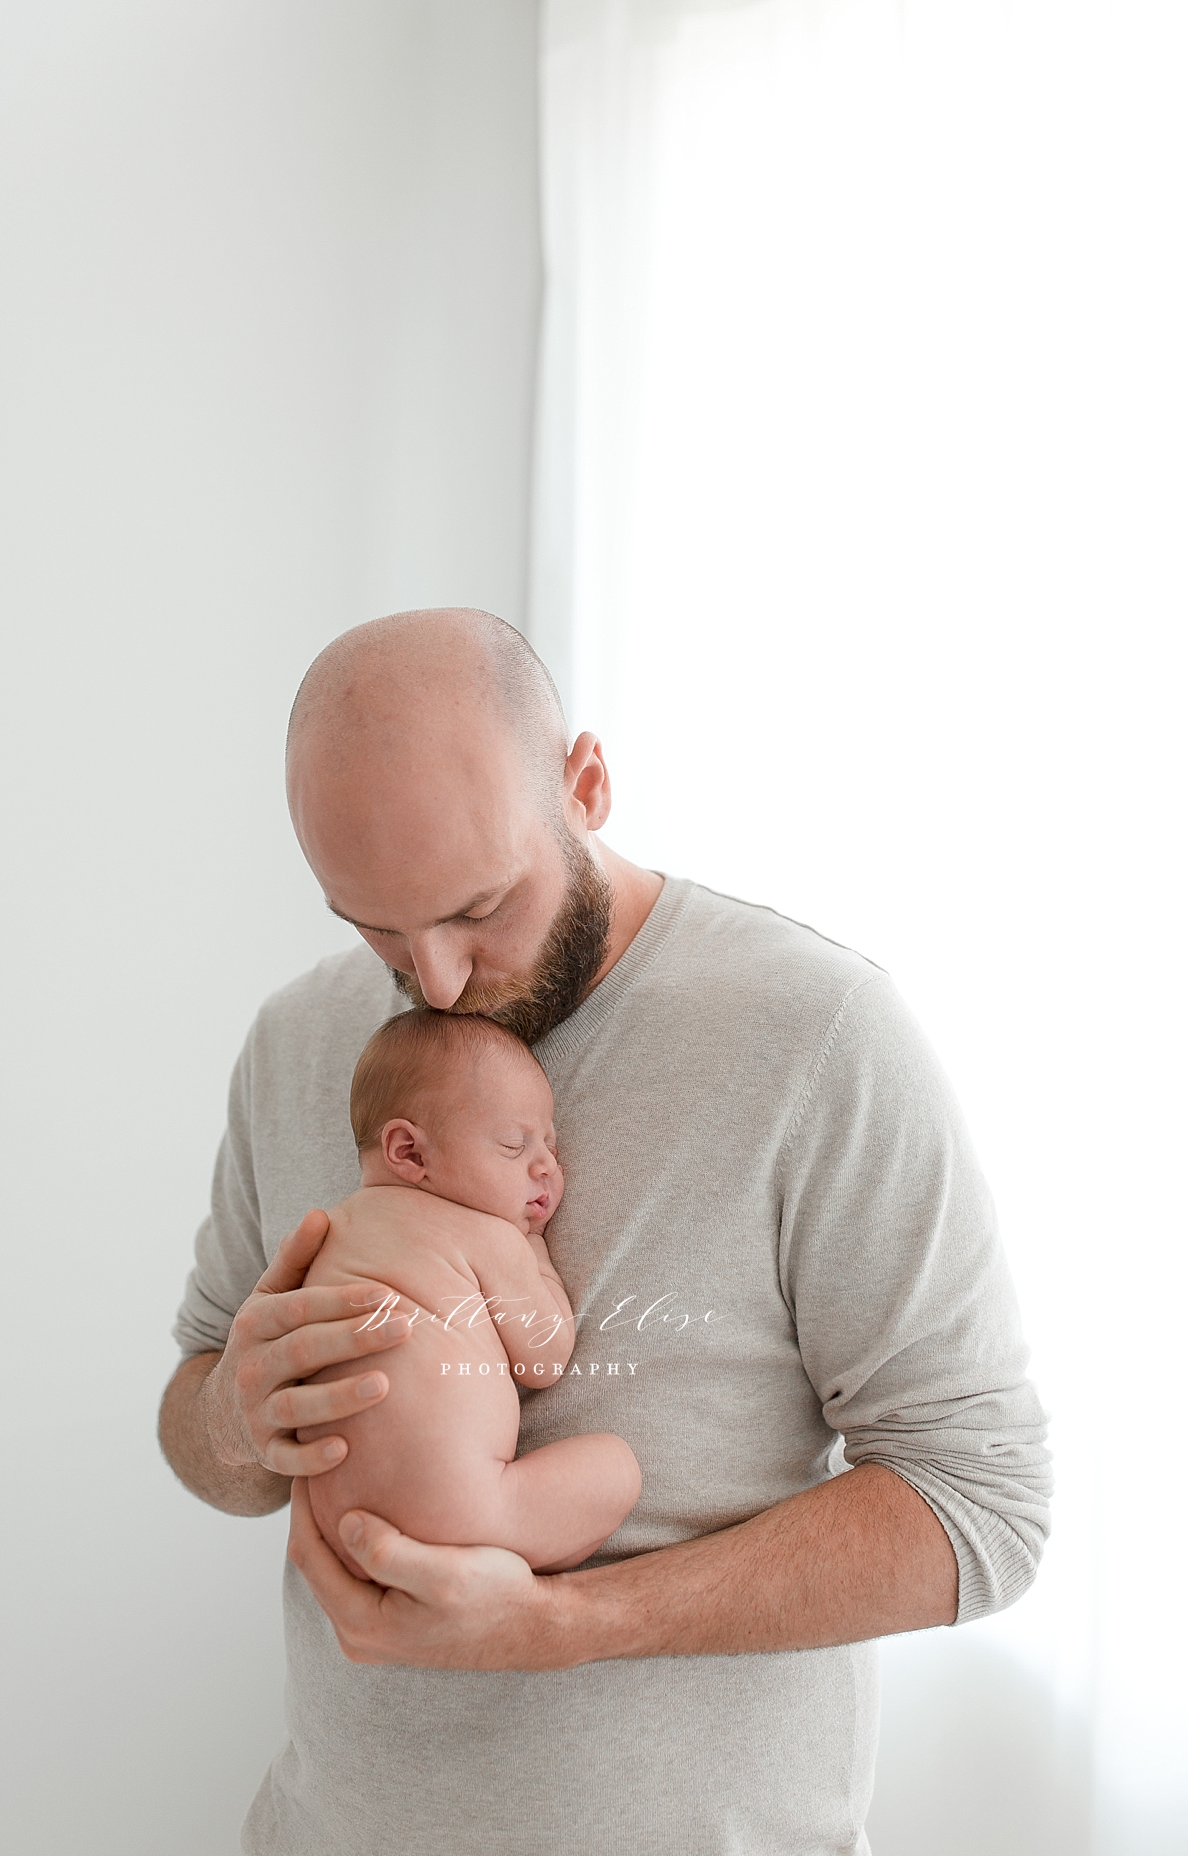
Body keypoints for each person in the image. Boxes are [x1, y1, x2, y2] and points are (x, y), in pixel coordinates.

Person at [159, 608, 1052, 1856]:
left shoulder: (813, 1036)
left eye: (478, 905)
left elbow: (984, 1507)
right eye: (370, 925)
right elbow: (201, 1413)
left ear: (584, 784)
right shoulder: (300, 1039)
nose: (436, 978)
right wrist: (230, 1417)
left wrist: (573, 1622)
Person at [297, 1006, 642, 1575]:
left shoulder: (330, 1236)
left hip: (342, 1532)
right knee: (618, 1468)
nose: (547, 1168)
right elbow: (545, 1359)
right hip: (464, 1513)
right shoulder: (489, 1236)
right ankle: (514, 1571)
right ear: (410, 1153)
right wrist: (533, 1254)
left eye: (550, 1147)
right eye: (514, 1145)